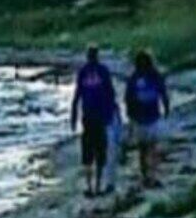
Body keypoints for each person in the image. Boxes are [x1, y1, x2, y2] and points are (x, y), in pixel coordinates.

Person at [71, 46, 119, 199]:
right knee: (99, 152)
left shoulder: (84, 72)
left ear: (87, 56)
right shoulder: (103, 71)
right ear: (97, 56)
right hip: (100, 118)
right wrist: (113, 113)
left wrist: (73, 117)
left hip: (89, 118)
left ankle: (90, 186)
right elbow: (111, 94)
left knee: (88, 154)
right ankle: (97, 185)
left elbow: (77, 96)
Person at [124, 48, 170, 186]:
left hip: (145, 116)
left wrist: (130, 114)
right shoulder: (153, 75)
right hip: (149, 115)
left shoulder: (136, 77)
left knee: (144, 149)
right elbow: (163, 92)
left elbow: (128, 98)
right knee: (150, 148)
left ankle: (147, 175)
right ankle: (150, 175)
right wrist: (166, 107)